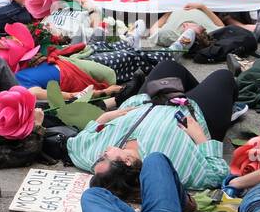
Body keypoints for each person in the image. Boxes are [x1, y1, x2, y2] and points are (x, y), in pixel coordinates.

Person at [67, 59, 236, 190]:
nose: (103, 153)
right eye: (105, 157)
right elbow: (218, 175)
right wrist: (200, 138)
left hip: (149, 101)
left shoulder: (91, 158)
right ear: (127, 161)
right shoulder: (169, 170)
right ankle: (224, 108)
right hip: (196, 115)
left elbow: (75, 143)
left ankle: (209, 99)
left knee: (169, 66)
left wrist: (104, 118)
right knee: (223, 76)